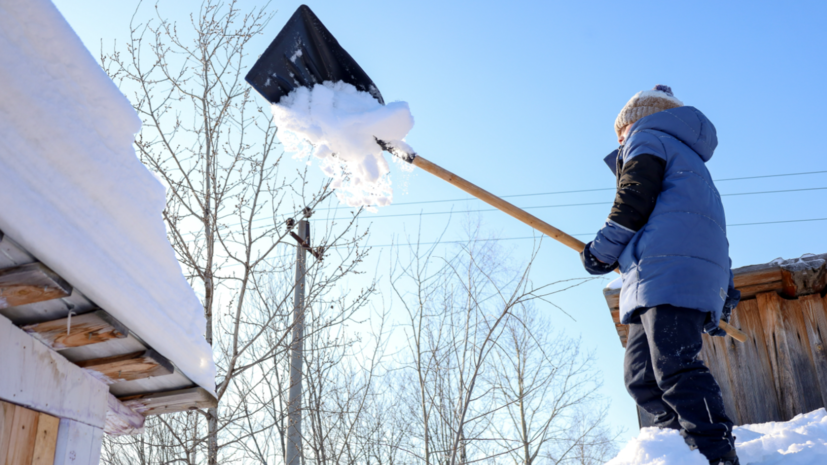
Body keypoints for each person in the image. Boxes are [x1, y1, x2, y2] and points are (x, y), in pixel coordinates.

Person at [580, 85, 741, 465]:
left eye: (620, 130)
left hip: (667, 273)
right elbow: (709, 231)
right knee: (641, 377)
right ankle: (679, 450)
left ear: (637, 121)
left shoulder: (647, 139)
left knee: (675, 367)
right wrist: (724, 293)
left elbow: (632, 200)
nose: (618, 138)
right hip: (656, 278)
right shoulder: (694, 169)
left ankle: (716, 453)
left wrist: (601, 252)